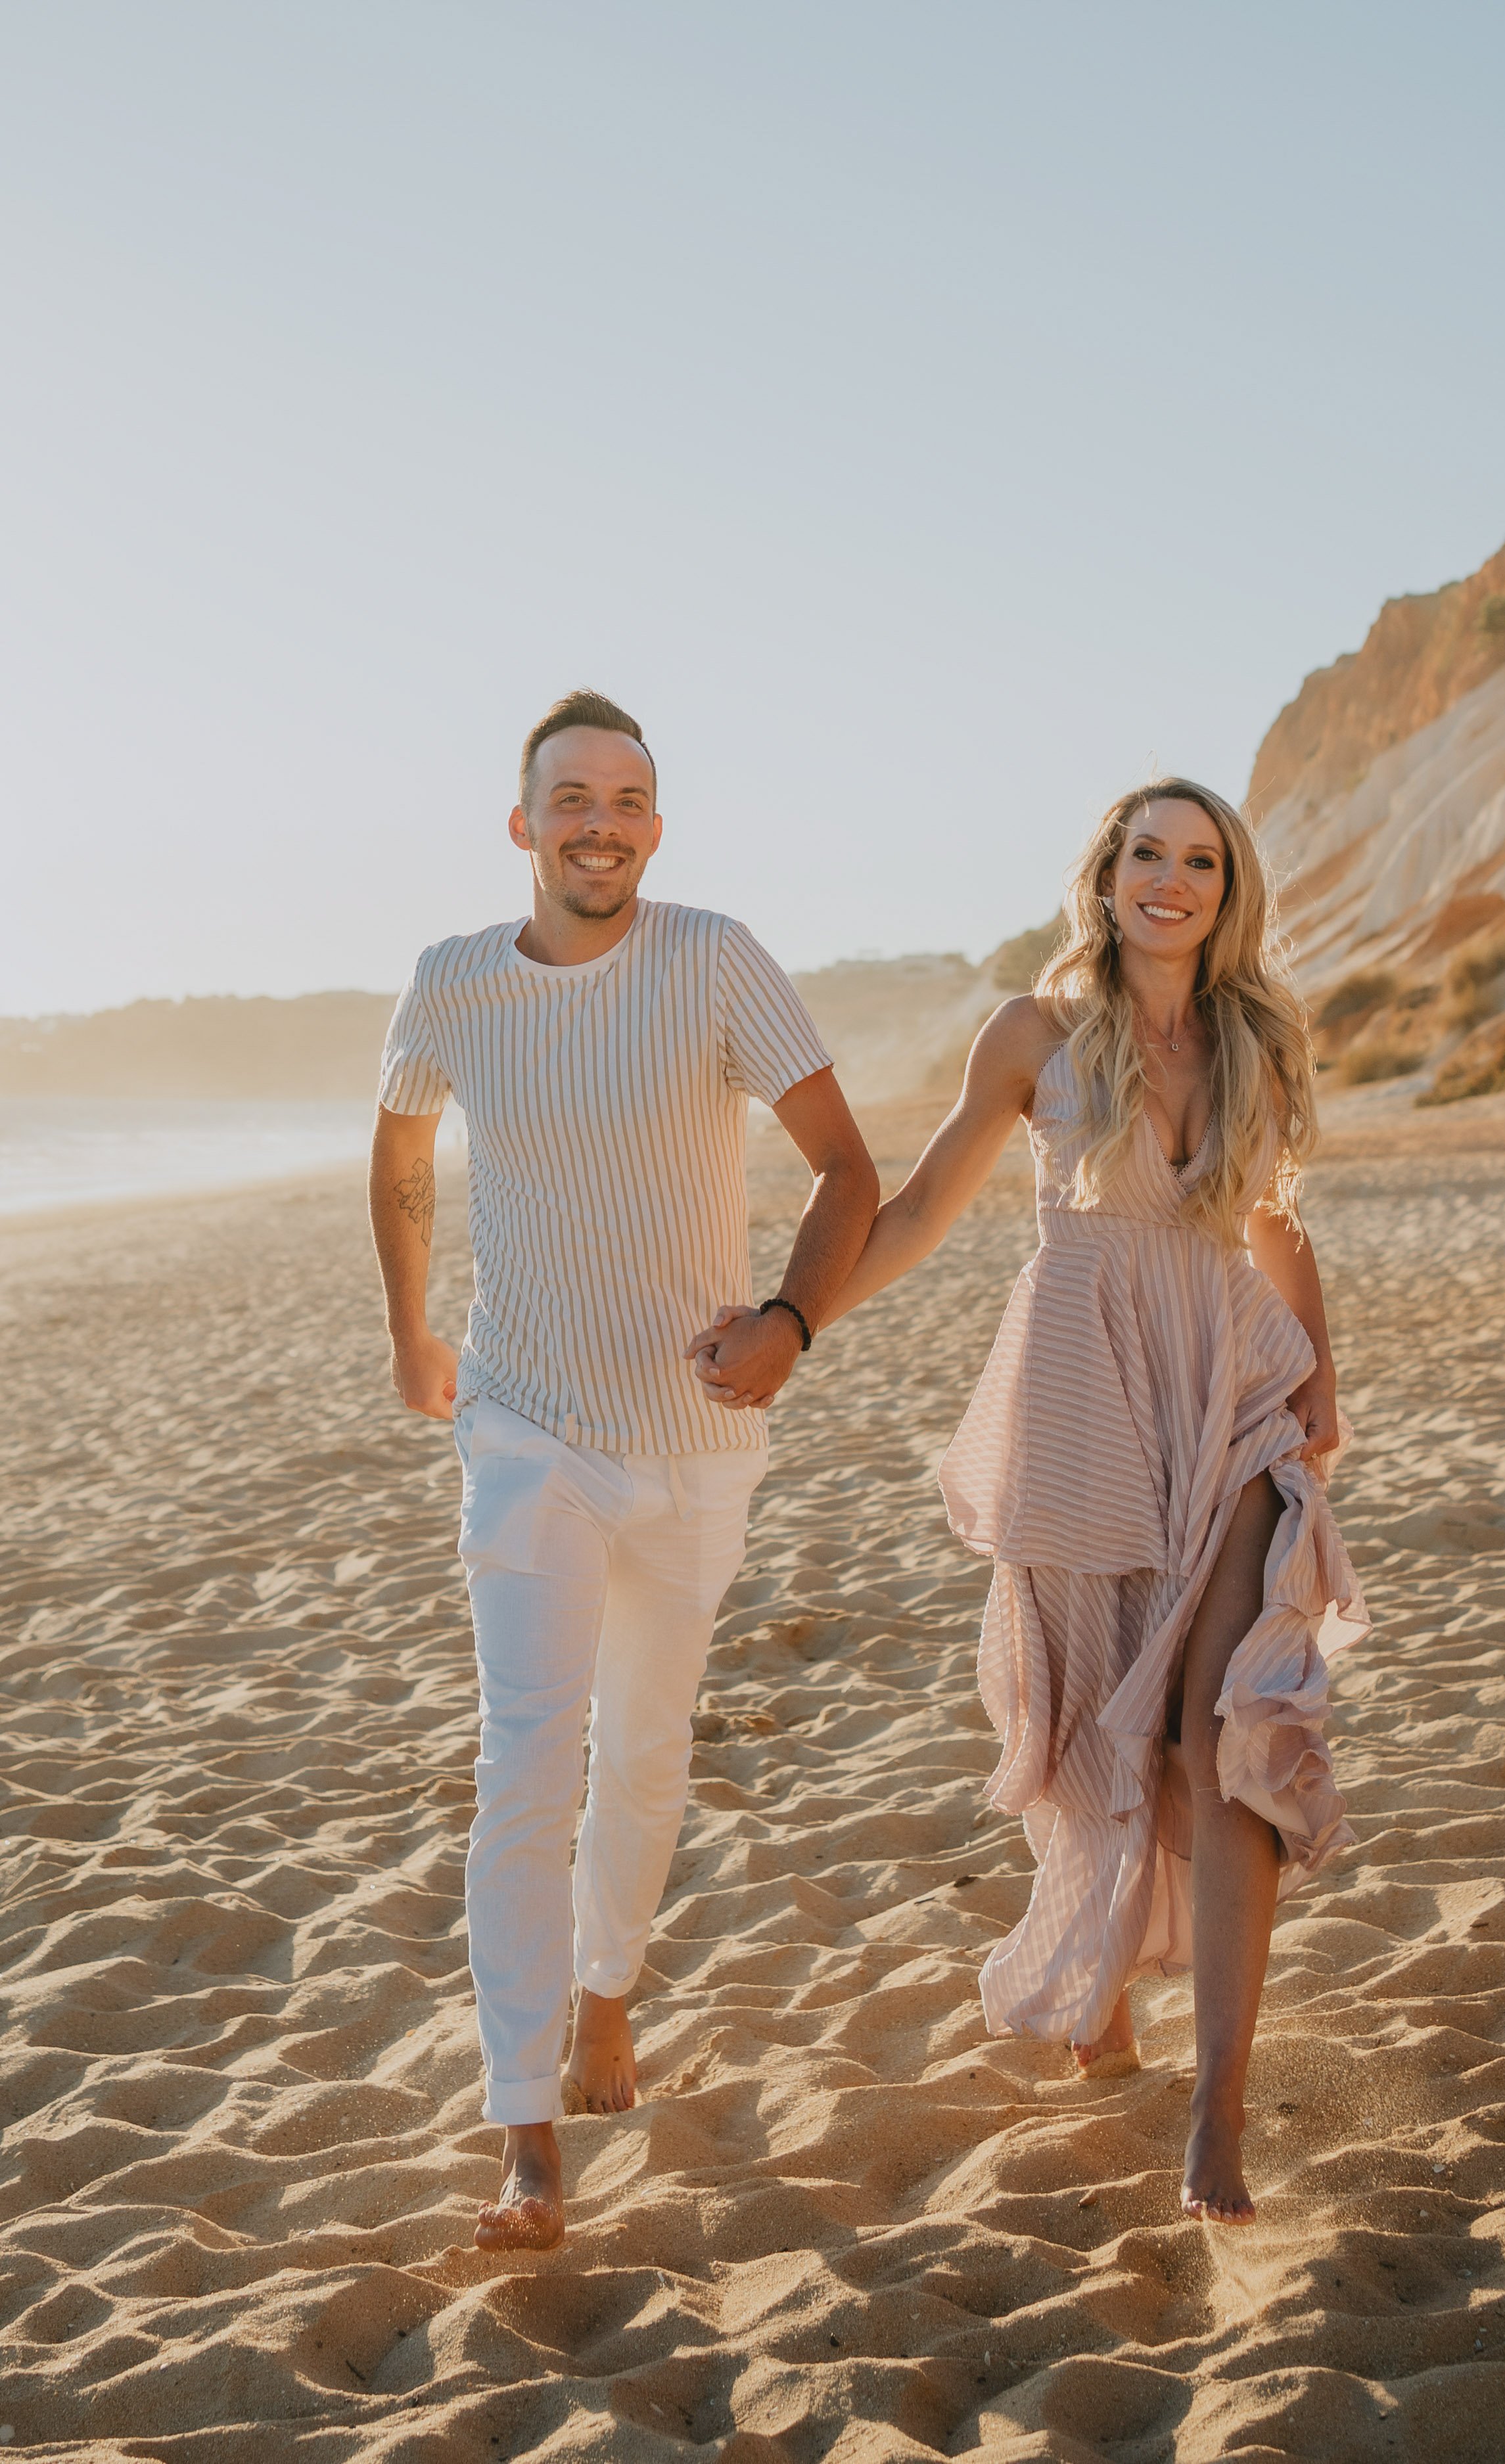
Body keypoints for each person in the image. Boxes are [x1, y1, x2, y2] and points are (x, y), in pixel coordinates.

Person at [693, 777, 1368, 2224]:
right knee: (1090, 1719)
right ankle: (1101, 1986)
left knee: (1226, 1726)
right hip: (1079, 1407)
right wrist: (793, 1323)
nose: (1170, 880)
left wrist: (1319, 1369)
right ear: (1106, 875)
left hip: (1228, 1398)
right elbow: (922, 1210)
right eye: (1146, 854)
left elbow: (1271, 1218)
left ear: (1227, 890)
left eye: (1199, 861)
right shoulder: (1033, 1033)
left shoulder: (1255, 1038)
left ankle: (1217, 2111)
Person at [369, 689, 878, 2253]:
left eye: (629, 799)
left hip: (696, 1440)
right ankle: (524, 2134)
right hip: (525, 1429)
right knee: (526, 1768)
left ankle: (607, 1990)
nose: (602, 823)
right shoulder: (452, 982)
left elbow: (847, 1168)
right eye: (573, 797)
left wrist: (791, 1320)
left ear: (656, 825)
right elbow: (399, 1155)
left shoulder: (714, 959)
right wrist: (410, 1335)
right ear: (522, 824)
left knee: (644, 1755)